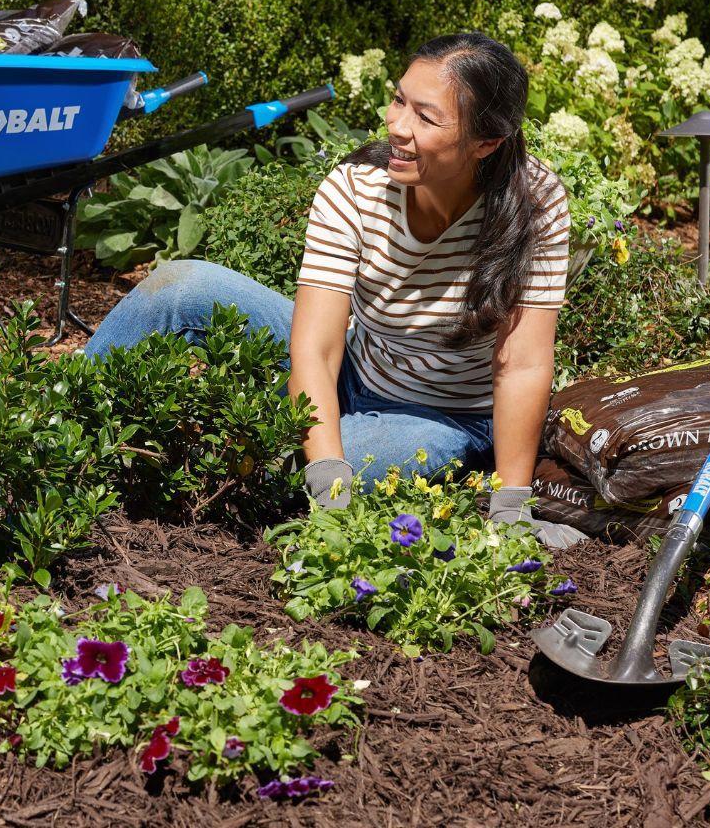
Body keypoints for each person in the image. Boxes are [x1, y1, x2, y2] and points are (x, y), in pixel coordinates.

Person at [85, 33, 586, 547]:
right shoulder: (356, 186)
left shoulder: (533, 203)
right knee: (180, 284)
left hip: (446, 418)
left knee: (281, 466)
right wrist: (327, 474)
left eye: (427, 117)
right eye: (398, 101)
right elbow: (317, 347)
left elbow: (521, 364)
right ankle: (54, 429)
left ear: (485, 143)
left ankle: (333, 458)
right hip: (352, 367)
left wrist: (510, 509)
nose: (397, 126)